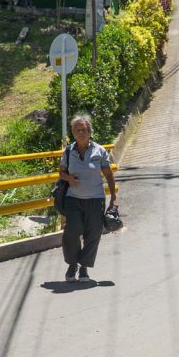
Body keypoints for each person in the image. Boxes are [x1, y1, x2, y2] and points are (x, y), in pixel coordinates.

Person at [59, 114, 117, 281]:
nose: (81, 133)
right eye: (77, 130)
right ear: (73, 133)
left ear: (90, 132)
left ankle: (84, 267)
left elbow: (108, 174)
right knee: (72, 232)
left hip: (95, 199)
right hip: (73, 199)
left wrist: (113, 197)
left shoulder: (99, 151)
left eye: (84, 130)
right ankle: (72, 265)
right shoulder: (68, 151)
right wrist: (68, 178)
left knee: (93, 234)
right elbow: (61, 172)